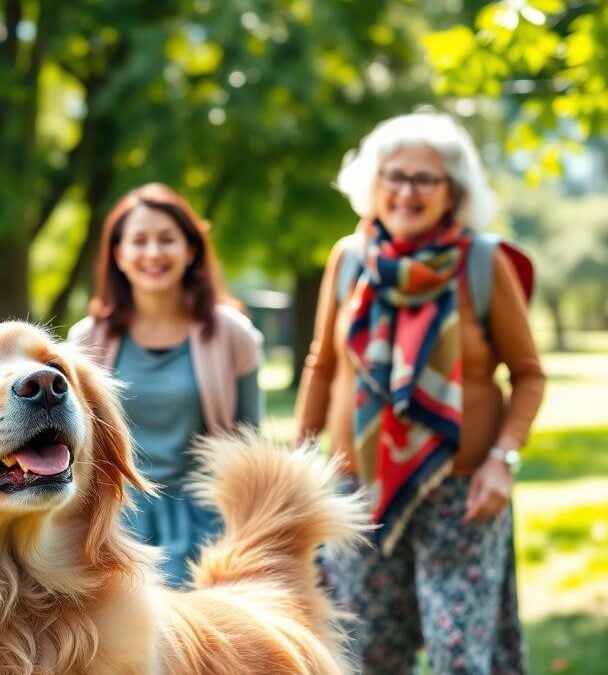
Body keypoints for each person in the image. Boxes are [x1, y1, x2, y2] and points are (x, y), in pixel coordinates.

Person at [295, 111, 544, 674]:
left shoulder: (483, 263)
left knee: (459, 655)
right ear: (373, 185)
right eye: (394, 176)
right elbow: (324, 366)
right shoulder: (350, 259)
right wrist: (300, 460)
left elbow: (528, 373)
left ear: (452, 192)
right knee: (367, 654)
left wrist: (503, 460)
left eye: (424, 179)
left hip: (464, 495)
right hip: (357, 495)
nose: (406, 191)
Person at [68, 182, 263, 587]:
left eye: (166, 240)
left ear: (190, 250)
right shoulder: (86, 341)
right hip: (114, 519)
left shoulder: (233, 334)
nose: (153, 253)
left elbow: (251, 447)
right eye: (139, 241)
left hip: (207, 523)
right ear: (118, 255)